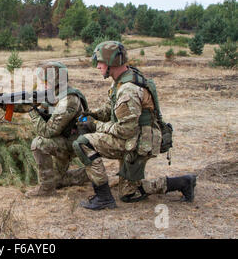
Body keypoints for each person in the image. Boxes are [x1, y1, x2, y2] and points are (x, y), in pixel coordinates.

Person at [73, 41, 196, 210]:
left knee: (82, 143)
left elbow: (125, 130)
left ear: (111, 63)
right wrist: (90, 114)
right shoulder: (122, 80)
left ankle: (103, 198)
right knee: (129, 194)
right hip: (136, 138)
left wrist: (95, 125)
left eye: (100, 62)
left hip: (136, 143)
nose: (97, 66)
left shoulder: (128, 90)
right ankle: (184, 182)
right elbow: (110, 110)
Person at [21, 61, 90, 197]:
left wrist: (31, 111)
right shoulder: (56, 94)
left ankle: (46, 190)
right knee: (57, 181)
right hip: (65, 138)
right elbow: (40, 106)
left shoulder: (68, 99)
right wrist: (5, 105)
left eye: (45, 81)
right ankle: (85, 174)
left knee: (39, 143)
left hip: (75, 142)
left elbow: (48, 131)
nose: (42, 84)